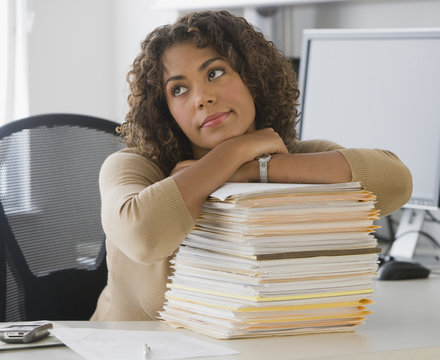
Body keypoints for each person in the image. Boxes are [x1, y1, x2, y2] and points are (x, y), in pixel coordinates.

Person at [90, 10, 412, 321]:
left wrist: (249, 170)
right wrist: (233, 152)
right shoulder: (133, 167)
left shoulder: (289, 156)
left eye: (214, 72)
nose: (201, 97)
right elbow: (142, 235)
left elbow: (396, 182)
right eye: (179, 89)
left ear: (252, 76)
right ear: (166, 110)